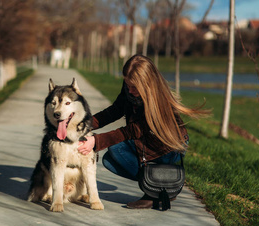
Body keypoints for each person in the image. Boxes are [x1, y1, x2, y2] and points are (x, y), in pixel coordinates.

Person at [78, 54, 208, 209]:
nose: (130, 90)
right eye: (127, 85)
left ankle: (155, 191)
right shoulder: (129, 89)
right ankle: (160, 188)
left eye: (134, 87)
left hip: (169, 146)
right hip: (148, 142)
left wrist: (96, 141)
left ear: (147, 84)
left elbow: (132, 131)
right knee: (109, 161)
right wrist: (83, 124)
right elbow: (114, 111)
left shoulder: (158, 99)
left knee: (116, 149)